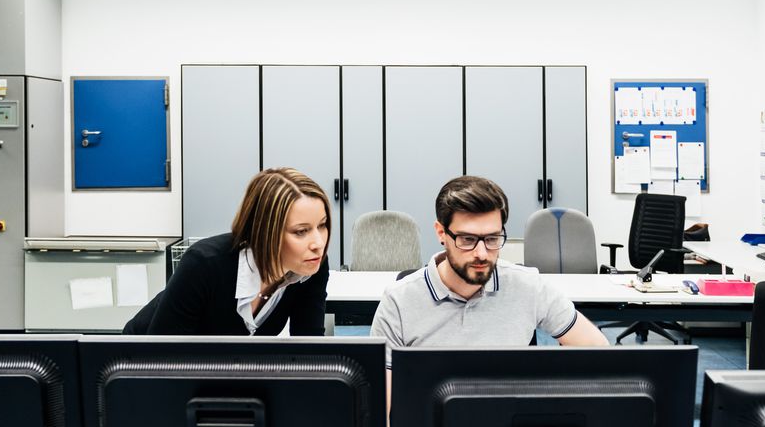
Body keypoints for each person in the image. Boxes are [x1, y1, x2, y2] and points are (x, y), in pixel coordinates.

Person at [373, 176, 609, 410]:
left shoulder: (528, 286)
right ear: (441, 233)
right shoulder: (398, 301)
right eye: (467, 239)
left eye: (492, 239)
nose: (482, 253)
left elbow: (598, 353)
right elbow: (382, 411)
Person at [123, 167, 331, 335]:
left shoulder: (311, 265)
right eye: (301, 231)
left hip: (220, 374)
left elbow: (309, 348)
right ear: (265, 231)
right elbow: (162, 361)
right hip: (139, 366)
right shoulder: (204, 263)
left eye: (322, 225)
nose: (318, 243)